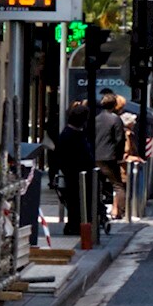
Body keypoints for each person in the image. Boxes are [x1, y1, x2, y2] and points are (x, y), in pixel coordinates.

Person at [52, 100, 96, 243]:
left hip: (78, 173)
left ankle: (77, 224)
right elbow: (60, 156)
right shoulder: (70, 135)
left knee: (77, 201)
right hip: (75, 174)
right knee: (76, 201)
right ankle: (75, 225)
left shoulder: (73, 133)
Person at [92, 92, 126, 230]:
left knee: (97, 185)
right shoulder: (115, 120)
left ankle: (98, 211)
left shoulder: (95, 119)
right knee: (117, 185)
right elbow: (119, 140)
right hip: (110, 156)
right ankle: (121, 213)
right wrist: (119, 156)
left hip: (96, 156)